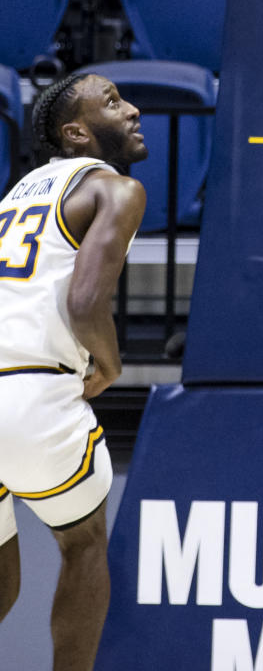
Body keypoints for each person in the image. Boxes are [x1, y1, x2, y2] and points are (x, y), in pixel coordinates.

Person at [0, 72, 147, 671]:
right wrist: (110, 362)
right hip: (32, 391)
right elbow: (84, 304)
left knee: (2, 579)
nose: (133, 109)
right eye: (112, 102)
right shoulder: (115, 189)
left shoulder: (12, 198)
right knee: (83, 545)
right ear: (76, 132)